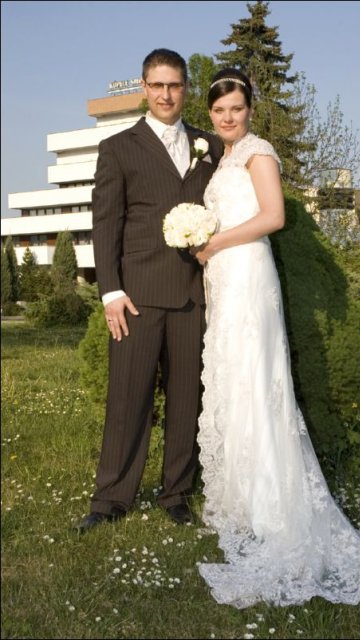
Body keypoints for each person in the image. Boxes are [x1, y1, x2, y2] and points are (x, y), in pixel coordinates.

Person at [192, 68, 360, 608]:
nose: (228, 117)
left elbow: (274, 216)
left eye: (236, 108)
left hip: (248, 272)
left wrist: (215, 242)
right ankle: (241, 498)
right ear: (210, 113)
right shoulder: (222, 159)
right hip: (225, 277)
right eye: (219, 110)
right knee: (235, 379)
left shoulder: (258, 152)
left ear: (249, 110)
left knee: (258, 380)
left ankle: (273, 506)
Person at [75, 49, 223, 533]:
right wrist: (110, 292)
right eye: (157, 85)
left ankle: (176, 493)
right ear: (144, 88)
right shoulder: (118, 147)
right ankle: (111, 499)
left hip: (192, 295)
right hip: (135, 297)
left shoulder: (208, 145)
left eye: (174, 85)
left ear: (186, 89)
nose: (166, 94)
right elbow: (106, 224)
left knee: (186, 400)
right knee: (128, 400)